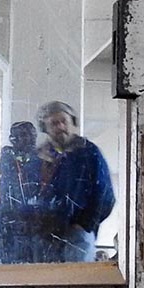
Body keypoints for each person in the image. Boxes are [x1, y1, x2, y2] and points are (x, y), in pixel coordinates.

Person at [23, 101, 115, 263]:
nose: (60, 127)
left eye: (63, 121)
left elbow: (105, 194)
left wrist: (85, 224)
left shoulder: (89, 153)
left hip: (77, 232)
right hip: (45, 234)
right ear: (45, 128)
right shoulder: (38, 157)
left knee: (77, 281)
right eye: (54, 123)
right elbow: (26, 192)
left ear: (72, 122)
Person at [0, 121, 38, 263]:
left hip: (36, 218)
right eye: (15, 136)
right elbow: (7, 185)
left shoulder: (41, 157)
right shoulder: (8, 154)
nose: (19, 140)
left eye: (24, 135)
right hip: (12, 215)